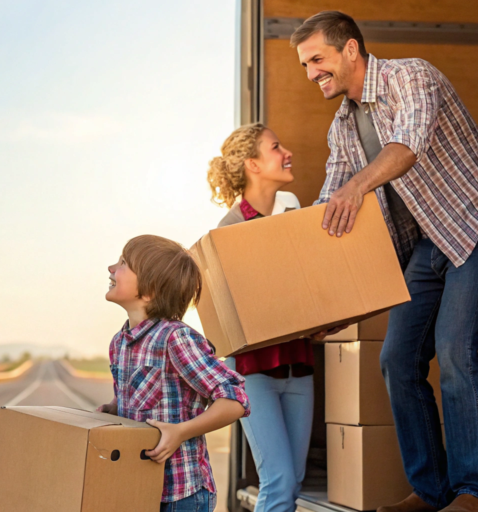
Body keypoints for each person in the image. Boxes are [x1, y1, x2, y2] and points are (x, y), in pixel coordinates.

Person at [290, 11, 478, 512]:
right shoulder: (342, 127)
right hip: (428, 245)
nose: (311, 72)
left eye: (317, 59)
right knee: (397, 359)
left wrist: (358, 186)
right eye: (305, 64)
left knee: (455, 350)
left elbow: (407, 148)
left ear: (350, 49)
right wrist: (316, 302)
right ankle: (431, 492)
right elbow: (327, 207)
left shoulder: (410, 76)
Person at [206, 123, 340, 512]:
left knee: (292, 481)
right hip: (254, 370)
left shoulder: (293, 208)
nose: (287, 152)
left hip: (298, 362)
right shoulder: (229, 229)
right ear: (253, 164)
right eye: (275, 147)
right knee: (279, 482)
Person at [97, 234, 251, 512]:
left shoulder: (174, 338)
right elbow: (138, 398)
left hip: (181, 494)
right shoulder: (119, 343)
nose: (111, 268)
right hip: (138, 488)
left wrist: (181, 432)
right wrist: (114, 407)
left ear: (150, 289)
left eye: (123, 263)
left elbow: (235, 400)